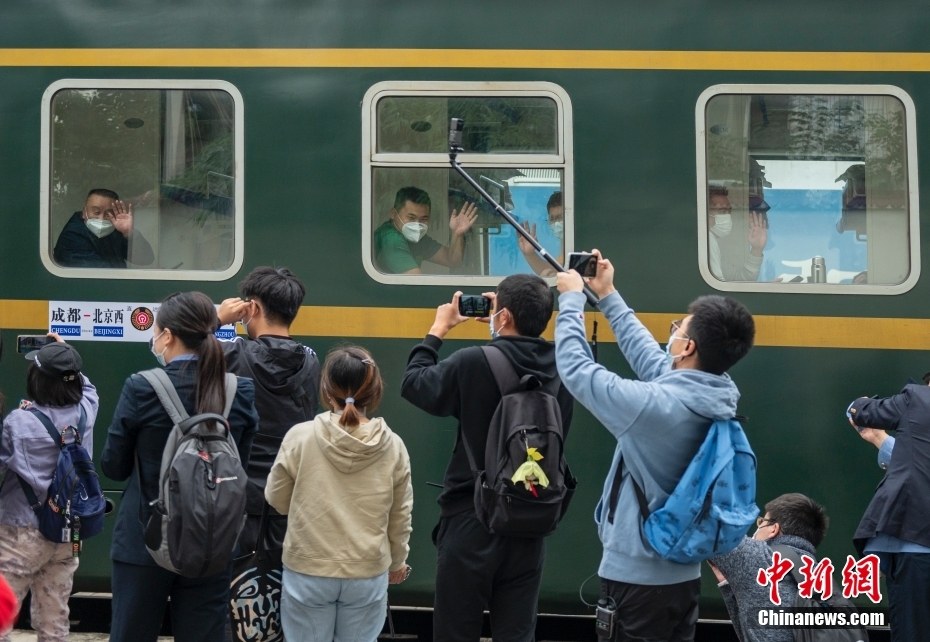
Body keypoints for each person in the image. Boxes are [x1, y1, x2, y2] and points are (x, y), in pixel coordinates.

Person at [555, 249, 755, 642]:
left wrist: (571, 301)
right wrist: (608, 295)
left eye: (680, 328)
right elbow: (650, 359)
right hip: (682, 579)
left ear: (687, 349)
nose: (673, 331)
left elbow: (577, 371)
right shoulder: (715, 395)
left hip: (636, 582)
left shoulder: (655, 408)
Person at [401, 274, 575, 642]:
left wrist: (437, 329)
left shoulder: (473, 361)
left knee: (456, 630)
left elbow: (414, 384)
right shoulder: (564, 368)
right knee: (517, 632)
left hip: (472, 516)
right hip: (532, 514)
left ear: (503, 316)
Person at [101, 292, 259, 642]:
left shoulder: (141, 387)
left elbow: (113, 466)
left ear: (168, 335)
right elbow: (239, 467)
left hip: (144, 540)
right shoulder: (240, 391)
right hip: (213, 542)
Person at [265, 345, 412, 642]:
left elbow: (276, 500)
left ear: (327, 391)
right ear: (374, 391)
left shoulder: (300, 437)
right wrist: (397, 562)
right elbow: (400, 516)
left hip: (308, 569)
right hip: (367, 573)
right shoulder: (393, 445)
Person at [0, 336, 99, 642]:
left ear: (37, 380)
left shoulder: (18, 421)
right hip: (66, 536)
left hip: (20, 534)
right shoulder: (86, 412)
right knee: (54, 621)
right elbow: (88, 388)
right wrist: (66, 352)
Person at [216, 267, 321, 553]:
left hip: (238, 498)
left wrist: (216, 320)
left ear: (254, 307)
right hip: (290, 496)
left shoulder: (233, 354)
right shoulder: (311, 362)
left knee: (240, 587)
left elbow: (172, 349)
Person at [847, 379, 930, 642]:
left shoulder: (918, 399)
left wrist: (856, 405)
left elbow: (861, 411)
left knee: (912, 632)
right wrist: (880, 440)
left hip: (915, 545)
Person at [707, 494, 830, 642]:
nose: (757, 529)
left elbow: (703, 523)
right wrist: (728, 585)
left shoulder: (759, 557)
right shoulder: (821, 577)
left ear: (774, 529)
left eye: (761, 522)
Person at [374, 186, 478, 274]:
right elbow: (417, 283)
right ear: (393, 214)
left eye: (424, 219)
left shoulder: (416, 238)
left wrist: (457, 233)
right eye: (411, 217)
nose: (417, 224)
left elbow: (453, 261)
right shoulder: (391, 239)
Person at [53, 188, 154, 268]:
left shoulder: (114, 229)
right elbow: (102, 275)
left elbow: (146, 259)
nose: (101, 218)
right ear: (84, 212)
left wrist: (129, 233)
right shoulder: (71, 236)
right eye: (96, 212)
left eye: (108, 214)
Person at [707, 186, 767, 282]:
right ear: (704, 214)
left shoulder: (711, 241)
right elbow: (719, 289)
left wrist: (757, 249)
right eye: (722, 211)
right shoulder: (708, 240)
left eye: (729, 212)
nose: (727, 216)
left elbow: (740, 279)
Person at [517, 191, 564, 277]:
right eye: (552, 219)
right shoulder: (565, 248)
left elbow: (557, 273)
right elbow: (554, 269)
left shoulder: (580, 245)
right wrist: (530, 254)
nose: (556, 223)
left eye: (560, 217)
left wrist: (549, 273)